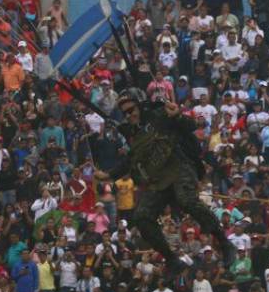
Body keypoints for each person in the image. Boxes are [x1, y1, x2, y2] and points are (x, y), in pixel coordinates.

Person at [98, 89, 235, 272]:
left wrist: (178, 116)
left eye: (132, 110)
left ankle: (223, 241)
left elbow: (190, 127)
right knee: (142, 217)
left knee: (186, 200)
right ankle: (171, 259)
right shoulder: (132, 132)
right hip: (159, 179)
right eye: (125, 113)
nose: (129, 115)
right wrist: (109, 175)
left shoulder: (159, 114)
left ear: (139, 105)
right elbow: (131, 160)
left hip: (179, 167)